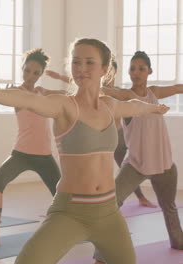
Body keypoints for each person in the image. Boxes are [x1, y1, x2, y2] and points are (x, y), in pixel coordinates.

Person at [0, 38, 169, 264]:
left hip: (109, 213)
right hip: (70, 212)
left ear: (104, 69)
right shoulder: (64, 105)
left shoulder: (110, 106)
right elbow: (24, 98)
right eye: (76, 62)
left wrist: (155, 108)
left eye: (89, 62)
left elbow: (136, 106)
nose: (81, 68)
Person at [94, 50, 183, 263]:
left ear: (150, 71)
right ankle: (101, 255)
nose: (136, 72)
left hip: (164, 166)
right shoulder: (127, 96)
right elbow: (105, 91)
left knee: (169, 207)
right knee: (111, 203)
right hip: (135, 165)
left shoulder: (154, 92)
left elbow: (179, 87)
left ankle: (178, 241)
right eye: (133, 68)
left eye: (141, 68)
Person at [46, 58, 157, 208]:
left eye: (113, 69)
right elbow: (75, 84)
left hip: (119, 137)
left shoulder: (117, 91)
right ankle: (101, 201)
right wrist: (59, 78)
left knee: (128, 170)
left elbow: (133, 105)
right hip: (103, 137)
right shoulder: (96, 90)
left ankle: (140, 198)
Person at [0, 48, 62, 247]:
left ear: (41, 74)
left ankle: (69, 231)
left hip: (45, 156)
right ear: (22, 69)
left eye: (36, 73)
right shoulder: (16, 93)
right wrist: (2, 94)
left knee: (62, 196)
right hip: (21, 154)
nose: (30, 76)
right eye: (27, 70)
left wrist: (64, 78)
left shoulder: (42, 93)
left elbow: (70, 95)